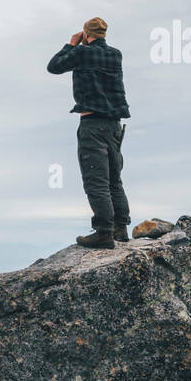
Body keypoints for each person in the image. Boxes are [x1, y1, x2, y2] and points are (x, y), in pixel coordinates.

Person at [47, 16, 131, 249]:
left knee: (96, 180)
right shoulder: (116, 55)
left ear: (86, 34)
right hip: (114, 125)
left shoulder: (81, 53)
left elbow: (53, 67)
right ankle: (121, 228)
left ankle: (104, 232)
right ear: (104, 34)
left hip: (92, 124)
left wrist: (71, 44)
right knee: (114, 178)